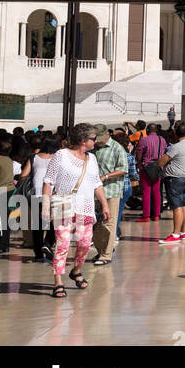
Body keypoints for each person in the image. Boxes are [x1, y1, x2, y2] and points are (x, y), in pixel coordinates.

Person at [41, 123, 109, 297]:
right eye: (93, 138)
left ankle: (76, 270)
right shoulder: (61, 155)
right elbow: (48, 181)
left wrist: (105, 204)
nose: (96, 141)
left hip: (85, 207)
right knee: (62, 245)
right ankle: (58, 281)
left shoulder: (91, 159)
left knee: (85, 244)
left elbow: (97, 183)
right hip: (63, 205)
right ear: (82, 140)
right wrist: (46, 206)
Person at [90, 128, 127, 264]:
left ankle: (106, 255)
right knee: (96, 224)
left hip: (111, 191)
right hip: (94, 192)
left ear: (107, 135)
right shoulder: (93, 149)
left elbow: (123, 169)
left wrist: (105, 177)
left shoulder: (117, 149)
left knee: (109, 223)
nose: (97, 143)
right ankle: (103, 251)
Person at [157, 122, 185, 244]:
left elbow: (161, 162)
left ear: (175, 133)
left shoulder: (176, 147)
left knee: (176, 207)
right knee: (184, 205)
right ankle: (183, 233)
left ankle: (175, 234)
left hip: (174, 179)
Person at [29, 136, 58, 262]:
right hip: (53, 194)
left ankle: (38, 254)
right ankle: (47, 243)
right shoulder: (57, 159)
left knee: (37, 226)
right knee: (54, 223)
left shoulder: (34, 157)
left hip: (37, 194)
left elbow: (24, 174)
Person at [134, 123, 166, 223]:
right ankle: (156, 215)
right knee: (157, 192)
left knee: (146, 192)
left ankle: (146, 216)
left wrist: (139, 164)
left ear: (148, 130)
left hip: (146, 168)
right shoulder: (162, 140)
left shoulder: (144, 140)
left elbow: (139, 155)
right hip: (158, 167)